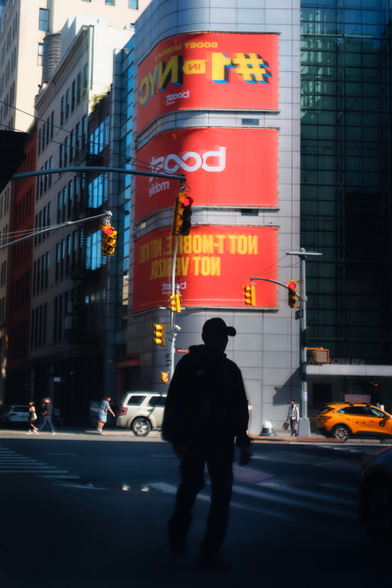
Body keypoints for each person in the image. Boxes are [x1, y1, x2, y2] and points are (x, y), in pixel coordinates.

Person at [162, 317, 252, 571]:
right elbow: (175, 403)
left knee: (222, 497)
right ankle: (177, 531)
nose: (222, 341)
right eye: (218, 336)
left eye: (225, 337)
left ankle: (210, 553)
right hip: (193, 440)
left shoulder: (230, 369)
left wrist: (243, 441)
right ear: (206, 337)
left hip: (221, 442)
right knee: (191, 486)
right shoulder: (190, 364)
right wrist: (177, 438)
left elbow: (239, 408)